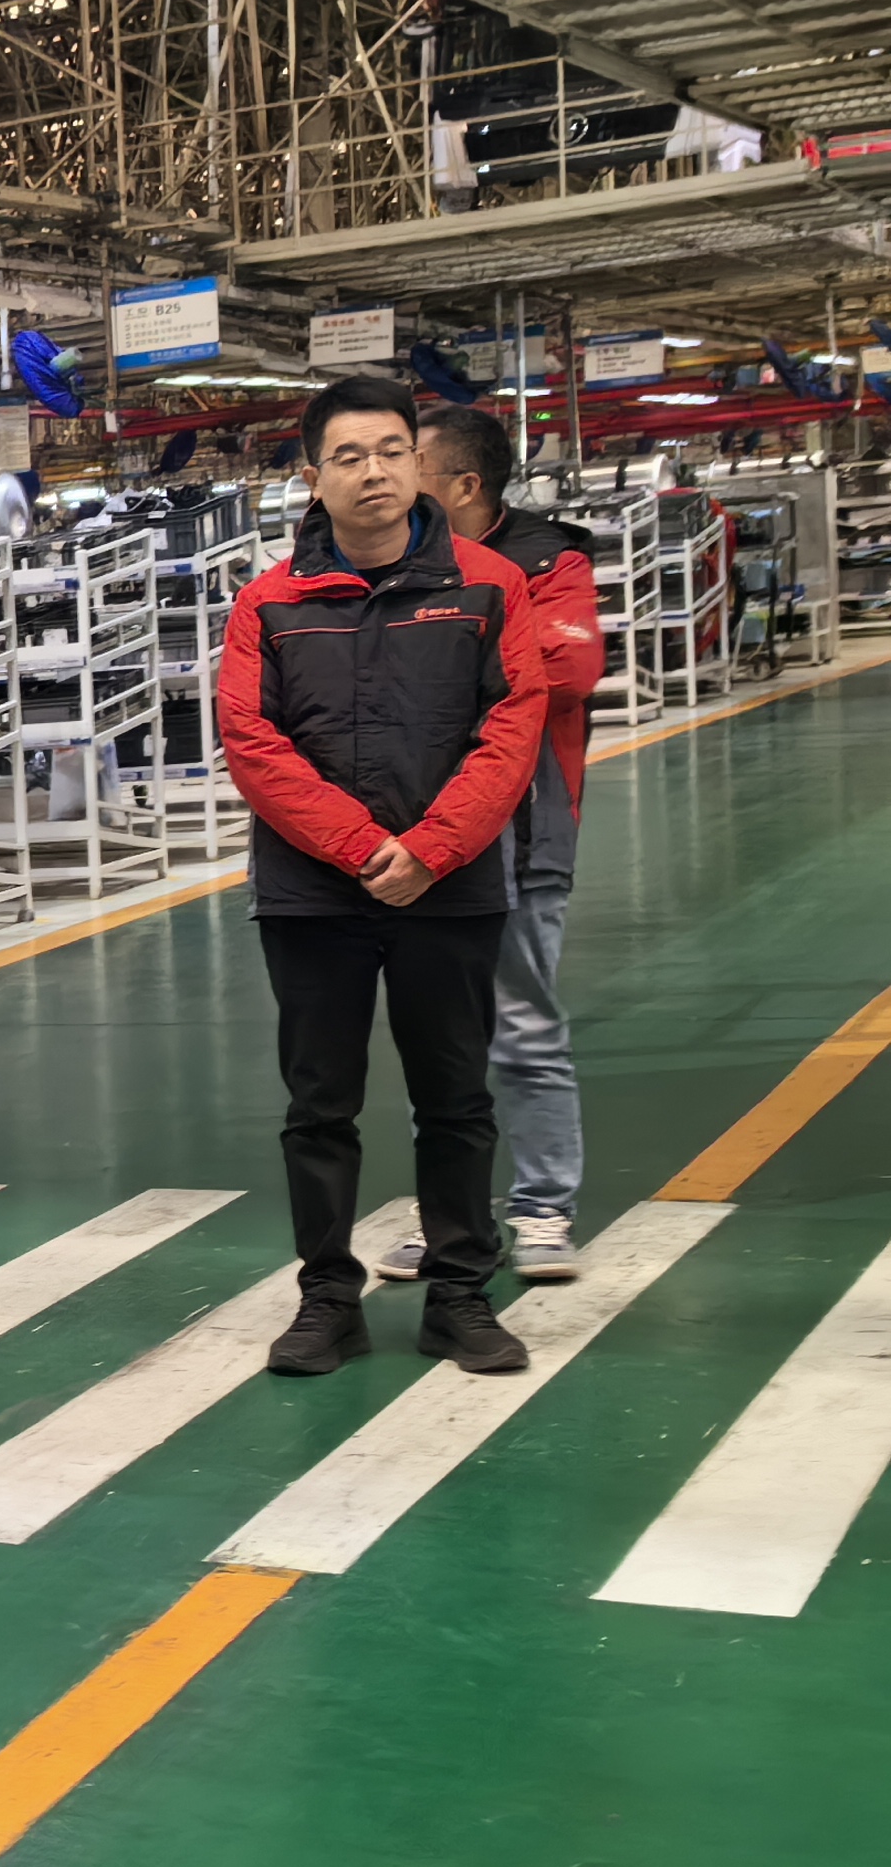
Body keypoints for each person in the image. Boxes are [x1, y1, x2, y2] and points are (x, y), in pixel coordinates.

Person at [216, 373, 549, 1379]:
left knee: (454, 1098)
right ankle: (327, 1299)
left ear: (419, 463)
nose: (374, 472)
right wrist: (362, 849)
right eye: (349, 456)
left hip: (450, 889)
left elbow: (511, 725)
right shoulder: (269, 602)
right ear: (312, 477)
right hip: (313, 894)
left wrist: (434, 848)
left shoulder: (490, 585)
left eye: (392, 451)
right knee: (319, 1105)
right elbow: (251, 740)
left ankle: (460, 1297)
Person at [383, 404, 602, 1286]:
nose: (392, 479)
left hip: (525, 827)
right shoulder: (395, 562)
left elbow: (570, 671)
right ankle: (447, 1210)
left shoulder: (550, 559)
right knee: (438, 1035)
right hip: (425, 833)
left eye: (412, 463)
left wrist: (450, 654)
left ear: (465, 485)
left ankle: (544, 1207)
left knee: (525, 1024)